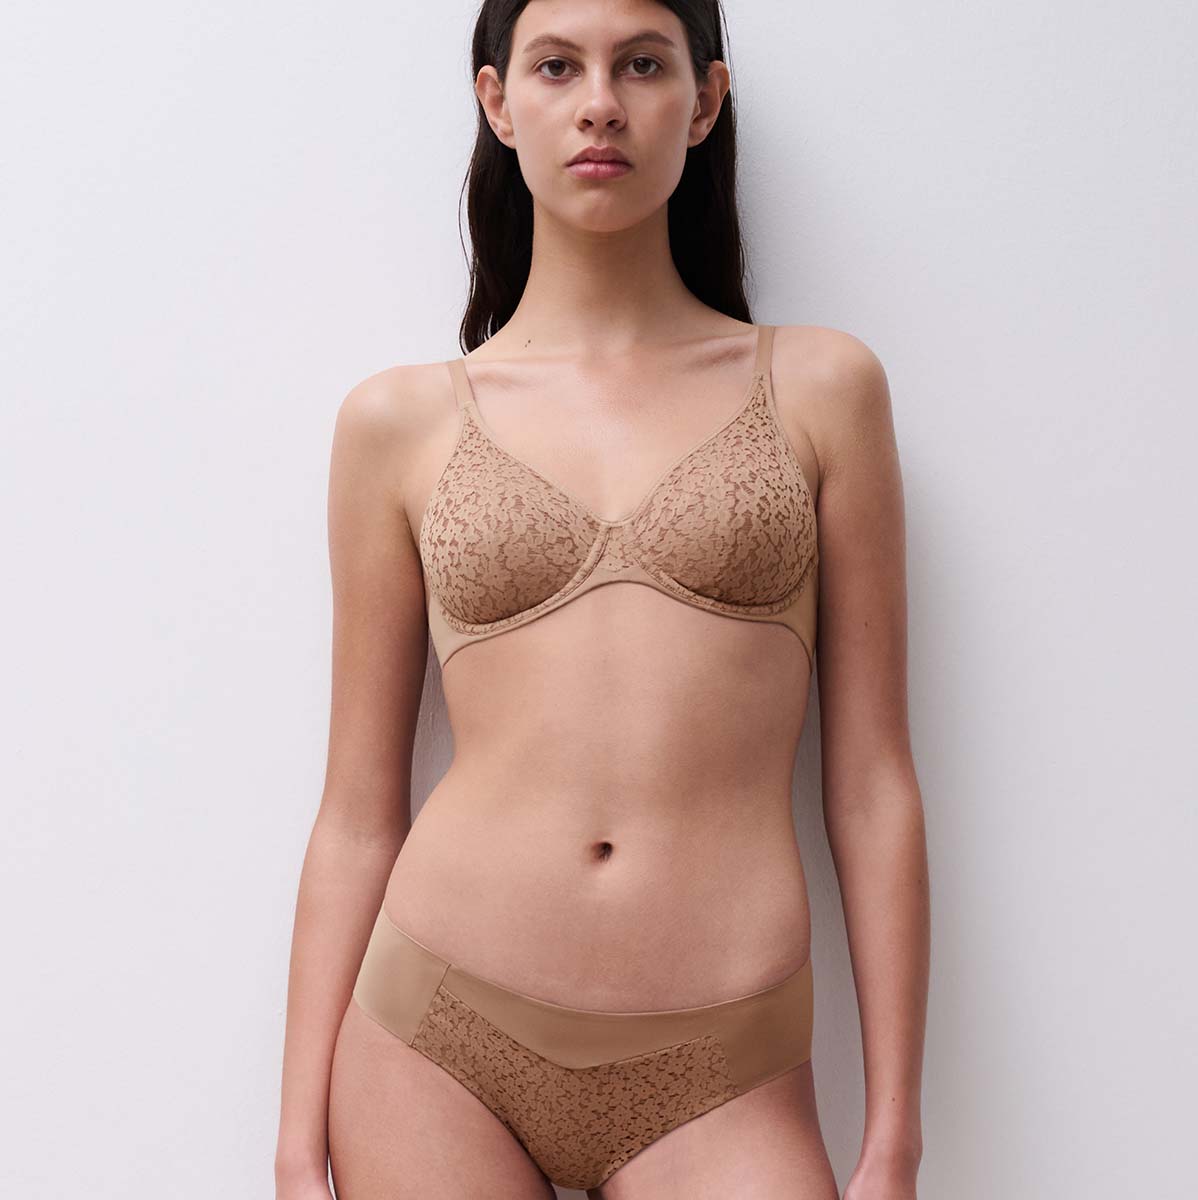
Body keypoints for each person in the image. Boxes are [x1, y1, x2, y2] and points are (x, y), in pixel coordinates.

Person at [275, 3, 929, 1198]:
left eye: (641, 64)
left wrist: (895, 1135)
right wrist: (294, 1138)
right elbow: (358, 812)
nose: (599, 105)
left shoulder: (823, 389)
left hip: (723, 1062)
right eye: (555, 66)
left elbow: (873, 784)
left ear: (706, 98)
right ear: (496, 101)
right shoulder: (397, 422)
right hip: (436, 1038)